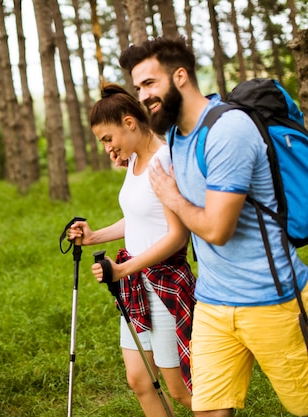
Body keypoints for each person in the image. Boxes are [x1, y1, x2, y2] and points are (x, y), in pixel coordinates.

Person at [119, 36, 308, 417]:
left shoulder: (228, 130)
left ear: (181, 76)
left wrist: (170, 196)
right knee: (207, 411)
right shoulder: (176, 136)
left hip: (271, 302)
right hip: (213, 303)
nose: (143, 96)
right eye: (138, 87)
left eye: (150, 84)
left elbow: (217, 228)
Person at [68, 82, 195, 416]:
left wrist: (124, 268)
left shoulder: (163, 160)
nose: (107, 148)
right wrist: (94, 237)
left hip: (165, 283)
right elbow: (137, 217)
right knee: (139, 380)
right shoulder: (137, 160)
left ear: (129, 123)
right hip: (136, 284)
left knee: (181, 390)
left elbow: (177, 235)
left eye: (108, 139)